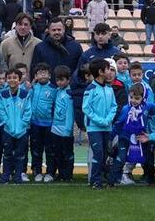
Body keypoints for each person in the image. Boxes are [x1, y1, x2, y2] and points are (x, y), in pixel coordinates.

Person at [83, 58, 118, 189]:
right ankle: (95, 180)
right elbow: (86, 108)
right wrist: (100, 120)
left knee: (104, 153)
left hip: (107, 127)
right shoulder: (91, 88)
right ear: (100, 72)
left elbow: (114, 106)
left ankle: (101, 178)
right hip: (94, 128)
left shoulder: (109, 88)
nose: (110, 71)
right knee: (98, 153)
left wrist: (108, 119)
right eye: (108, 69)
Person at [0, 66, 34, 184]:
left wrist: (23, 124)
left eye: (15, 77)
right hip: (8, 131)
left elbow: (28, 111)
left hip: (22, 131)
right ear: (6, 79)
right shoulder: (3, 94)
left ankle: (18, 176)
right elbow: (1, 110)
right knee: (7, 154)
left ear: (20, 80)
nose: (12, 80)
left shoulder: (25, 94)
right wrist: (7, 123)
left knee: (20, 155)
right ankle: (5, 176)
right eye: (9, 78)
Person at [28, 63, 58, 182]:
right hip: (35, 124)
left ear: (49, 75)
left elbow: (56, 106)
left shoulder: (53, 89)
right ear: (35, 76)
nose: (42, 75)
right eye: (40, 73)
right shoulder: (33, 88)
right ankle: (37, 171)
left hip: (49, 125)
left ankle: (50, 172)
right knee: (36, 149)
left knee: (50, 150)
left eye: (45, 72)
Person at [48, 66, 75, 182]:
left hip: (65, 129)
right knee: (57, 153)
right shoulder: (58, 91)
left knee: (67, 153)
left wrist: (68, 130)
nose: (59, 82)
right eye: (58, 80)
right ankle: (61, 173)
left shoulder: (69, 94)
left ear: (68, 80)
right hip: (55, 128)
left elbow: (70, 113)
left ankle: (68, 174)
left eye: (62, 79)